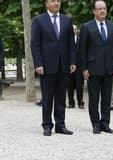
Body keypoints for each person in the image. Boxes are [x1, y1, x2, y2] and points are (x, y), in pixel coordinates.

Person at [30, 0, 76, 136]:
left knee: (61, 97)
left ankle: (60, 125)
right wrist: (38, 64)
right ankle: (47, 125)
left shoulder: (67, 20)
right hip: (46, 65)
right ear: (46, 3)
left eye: (58, 1)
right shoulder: (39, 20)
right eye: (53, 0)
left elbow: (71, 44)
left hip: (63, 65)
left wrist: (73, 61)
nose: (56, 3)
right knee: (47, 97)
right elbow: (35, 44)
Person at [79, 0, 113, 134]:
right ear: (94, 11)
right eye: (99, 9)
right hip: (93, 68)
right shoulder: (86, 27)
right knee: (94, 99)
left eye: (104, 8)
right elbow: (82, 50)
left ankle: (105, 123)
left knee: (107, 99)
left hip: (108, 68)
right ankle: (95, 124)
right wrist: (84, 68)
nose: (102, 11)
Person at [67, 25, 84, 109]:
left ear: (77, 30)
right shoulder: (66, 40)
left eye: (75, 29)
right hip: (69, 66)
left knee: (79, 85)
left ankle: (80, 102)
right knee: (69, 85)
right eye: (72, 29)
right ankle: (71, 102)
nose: (74, 30)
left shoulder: (81, 40)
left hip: (79, 67)